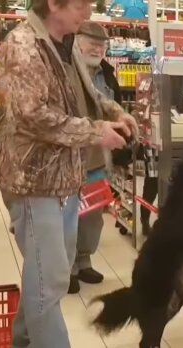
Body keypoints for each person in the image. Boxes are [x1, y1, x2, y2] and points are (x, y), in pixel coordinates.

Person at [0, 0, 137, 346]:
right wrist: (96, 132)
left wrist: (115, 111)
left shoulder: (63, 43)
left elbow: (82, 93)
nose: (88, 13)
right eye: (81, 5)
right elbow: (32, 116)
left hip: (64, 180)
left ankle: (24, 341)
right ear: (53, 4)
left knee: (46, 274)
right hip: (34, 181)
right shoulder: (23, 47)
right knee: (50, 279)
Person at [66, 22, 122, 294]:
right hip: (70, 158)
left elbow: (112, 104)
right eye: (92, 43)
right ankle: (67, 269)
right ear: (77, 41)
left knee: (91, 216)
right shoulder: (64, 69)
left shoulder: (107, 74)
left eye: (102, 45)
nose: (98, 49)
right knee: (67, 215)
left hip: (98, 158)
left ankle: (83, 261)